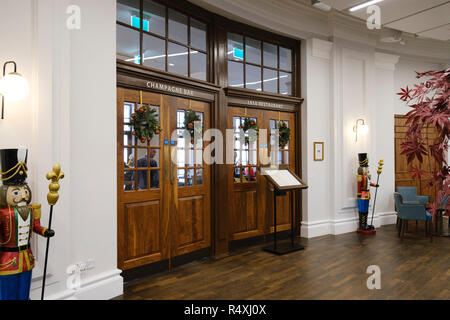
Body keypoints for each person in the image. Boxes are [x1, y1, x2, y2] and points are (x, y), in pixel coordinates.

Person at [0, 148, 54, 300]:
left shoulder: (32, 209)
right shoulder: (2, 213)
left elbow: (36, 226)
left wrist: (45, 231)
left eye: (24, 191)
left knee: (24, 292)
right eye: (16, 192)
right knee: (8, 293)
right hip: (7, 260)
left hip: (27, 259)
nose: (23, 195)